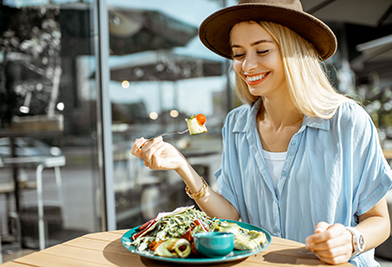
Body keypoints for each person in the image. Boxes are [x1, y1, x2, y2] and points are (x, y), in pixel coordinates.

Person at [131, 0, 392, 266]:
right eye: (238, 54)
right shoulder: (236, 125)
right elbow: (230, 216)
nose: (247, 65)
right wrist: (182, 166)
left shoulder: (347, 121)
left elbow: (380, 221)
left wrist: (350, 240)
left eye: (262, 50)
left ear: (293, 51)